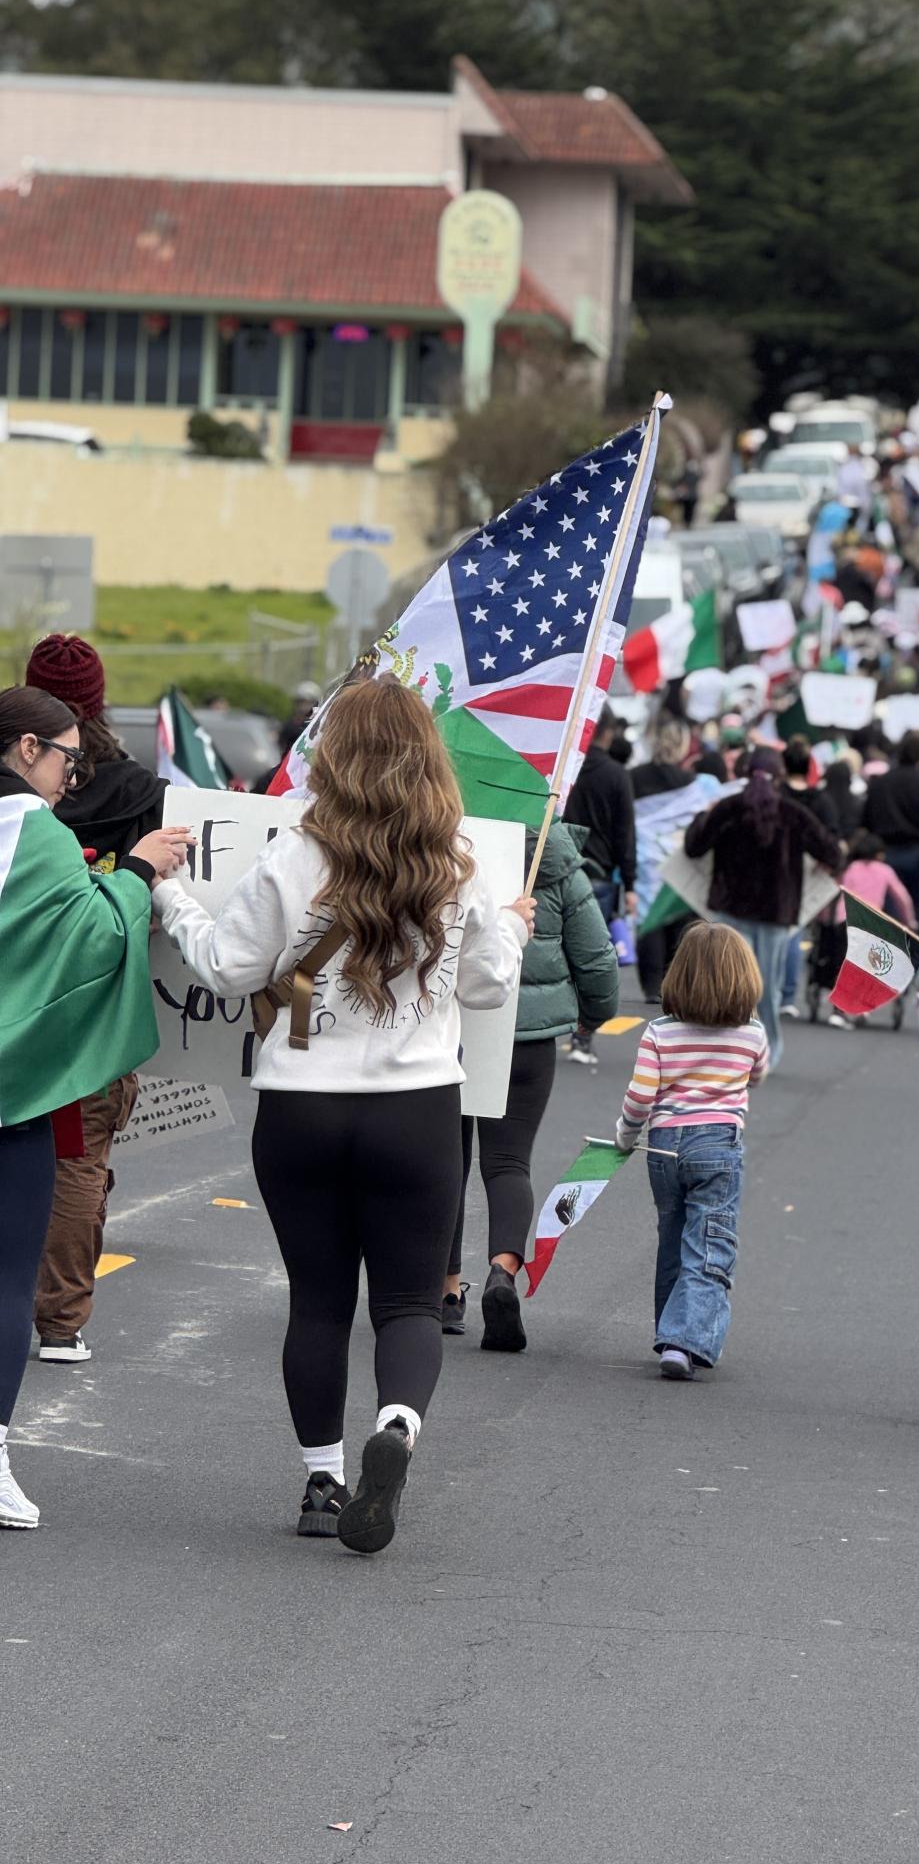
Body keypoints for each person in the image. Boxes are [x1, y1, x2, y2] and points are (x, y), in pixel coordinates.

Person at [153, 680, 533, 1554]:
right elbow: (483, 987)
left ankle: (321, 1480)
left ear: (334, 754)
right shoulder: (457, 859)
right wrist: (508, 926)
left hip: (300, 1106)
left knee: (318, 1300)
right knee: (406, 1301)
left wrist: (171, 895)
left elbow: (226, 967)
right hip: (417, 1110)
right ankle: (394, 1429)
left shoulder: (293, 853)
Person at [0, 686, 189, 1530]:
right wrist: (140, 870)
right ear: (29, 749)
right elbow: (96, 939)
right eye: (70, 759)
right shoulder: (28, 828)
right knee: (8, 1280)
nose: (72, 779)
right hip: (9, 1095)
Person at [23, 634, 167, 1364]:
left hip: (16, 998)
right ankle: (61, 1320)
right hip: (94, 1008)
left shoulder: (17, 797)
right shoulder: (139, 790)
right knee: (78, 1156)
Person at [445, 817, 619, 1351]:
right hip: (528, 1033)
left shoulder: (447, 842)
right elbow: (595, 958)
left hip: (447, 1025)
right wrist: (594, 1014)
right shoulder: (560, 862)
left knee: (446, 1158)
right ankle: (502, 1269)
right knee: (508, 1162)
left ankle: (446, 1291)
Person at [613, 924, 769, 1379]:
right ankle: (685, 1340)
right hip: (718, 1143)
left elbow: (641, 1097)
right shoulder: (752, 1033)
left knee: (673, 1234)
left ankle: (669, 1329)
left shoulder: (659, 1033)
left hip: (663, 1148)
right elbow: (756, 1076)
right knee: (709, 1242)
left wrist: (625, 1134)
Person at [683, 748, 841, 1072]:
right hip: (776, 913)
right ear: (779, 775)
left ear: (744, 773)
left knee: (726, 982)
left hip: (729, 909)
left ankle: (722, 1049)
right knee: (765, 986)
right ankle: (767, 1051)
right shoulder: (793, 813)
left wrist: (703, 815)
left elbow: (693, 846)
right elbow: (832, 852)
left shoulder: (727, 809)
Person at [562, 717, 636, 1065]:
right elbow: (625, 833)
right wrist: (631, 883)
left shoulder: (567, 766)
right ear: (609, 733)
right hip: (601, 874)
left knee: (554, 950)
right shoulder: (617, 775)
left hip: (560, 867)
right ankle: (582, 1034)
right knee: (593, 957)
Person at [630, 716, 698, 1003]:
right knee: (675, 919)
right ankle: (672, 981)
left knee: (648, 920)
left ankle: (650, 986)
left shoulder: (634, 776)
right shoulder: (689, 783)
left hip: (645, 860)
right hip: (676, 858)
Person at [825, 830, 917, 1031]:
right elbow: (902, 897)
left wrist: (824, 918)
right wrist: (909, 921)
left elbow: (834, 891)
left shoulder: (851, 868)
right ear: (879, 853)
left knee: (843, 963)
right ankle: (857, 1006)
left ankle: (839, 1010)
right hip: (869, 924)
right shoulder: (884, 870)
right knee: (865, 966)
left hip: (844, 921)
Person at [864, 731, 919, 939]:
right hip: (916, 852)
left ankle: (891, 956)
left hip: (884, 854)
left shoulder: (881, 782)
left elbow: (866, 818)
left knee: (891, 908)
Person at [779, 737, 839, 1019]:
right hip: (810, 872)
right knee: (794, 930)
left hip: (775, 867)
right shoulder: (821, 800)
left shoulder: (776, 794)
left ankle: (766, 990)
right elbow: (832, 837)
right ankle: (787, 996)